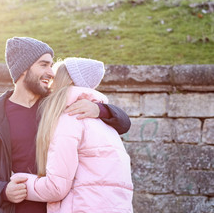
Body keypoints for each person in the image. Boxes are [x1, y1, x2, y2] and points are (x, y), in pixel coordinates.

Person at [0, 37, 131, 213]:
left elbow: (124, 124)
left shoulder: (61, 107)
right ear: (23, 69)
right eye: (43, 65)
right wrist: (3, 191)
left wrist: (100, 109)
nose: (51, 72)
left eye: (51, 65)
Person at [12, 57, 133, 213]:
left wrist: (18, 180)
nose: (51, 83)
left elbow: (56, 188)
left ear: (67, 81)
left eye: (55, 77)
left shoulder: (71, 117)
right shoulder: (105, 124)